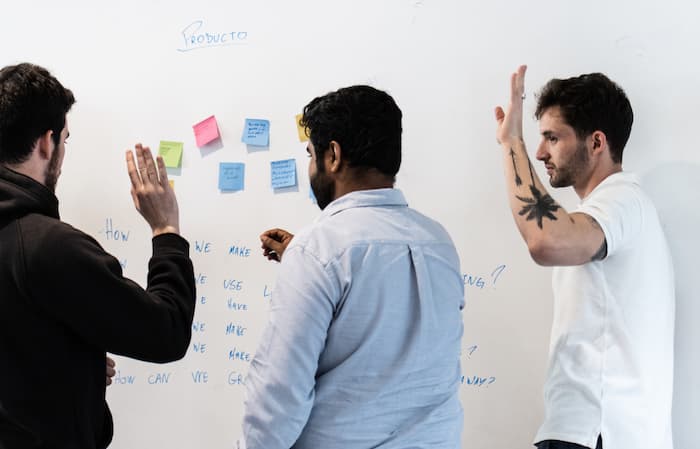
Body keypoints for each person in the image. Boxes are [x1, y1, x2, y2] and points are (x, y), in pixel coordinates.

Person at [240, 86, 464, 448]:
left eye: (311, 153)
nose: (311, 166)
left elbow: (279, 392)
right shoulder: (439, 242)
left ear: (333, 155)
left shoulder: (319, 250)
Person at [0, 63, 196, 448]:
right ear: (46, 141)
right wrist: (166, 231)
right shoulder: (49, 246)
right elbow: (166, 332)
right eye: (65, 140)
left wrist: (74, 361)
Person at [494, 65, 675, 449]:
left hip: (600, 433)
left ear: (596, 143)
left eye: (551, 138)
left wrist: (513, 144)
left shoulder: (622, 200)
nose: (541, 151)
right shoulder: (612, 207)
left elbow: (547, 241)